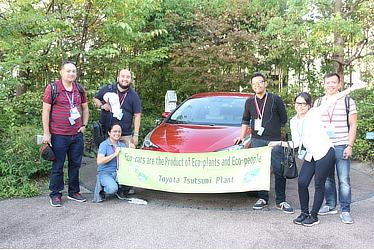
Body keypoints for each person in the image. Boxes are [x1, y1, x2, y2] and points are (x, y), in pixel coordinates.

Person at [269, 81, 366, 226]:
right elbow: (295, 143)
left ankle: (313, 216)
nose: (299, 106)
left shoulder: (315, 113)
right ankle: (304, 213)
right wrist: (278, 143)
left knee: (319, 183)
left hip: (325, 152)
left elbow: (333, 99)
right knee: (302, 182)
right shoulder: (294, 121)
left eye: (303, 104)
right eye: (297, 103)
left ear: (309, 105)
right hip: (311, 155)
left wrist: (352, 88)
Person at [234, 72, 293, 213]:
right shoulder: (249, 102)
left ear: (265, 83)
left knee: (279, 170)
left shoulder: (275, 99)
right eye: (254, 83)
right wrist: (241, 137)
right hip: (257, 141)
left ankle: (281, 200)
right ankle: (263, 198)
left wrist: (284, 140)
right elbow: (245, 120)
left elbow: (284, 120)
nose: (257, 85)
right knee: (260, 171)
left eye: (259, 82)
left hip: (275, 141)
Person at [42, 61, 89, 207]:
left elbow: (85, 109)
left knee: (75, 164)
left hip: (76, 135)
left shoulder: (79, 89)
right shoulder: (53, 88)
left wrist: (84, 125)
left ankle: (74, 192)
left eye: (73, 71)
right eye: (68, 71)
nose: (71, 73)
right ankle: (55, 194)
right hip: (58, 135)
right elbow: (46, 111)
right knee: (58, 165)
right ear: (61, 72)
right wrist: (46, 133)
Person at [315, 73, 358, 224]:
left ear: (339, 84)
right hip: (324, 146)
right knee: (327, 179)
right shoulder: (319, 102)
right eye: (328, 82)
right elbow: (315, 124)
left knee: (344, 179)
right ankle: (330, 205)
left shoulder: (348, 101)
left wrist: (350, 145)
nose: (331, 85)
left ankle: (345, 210)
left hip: (341, 145)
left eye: (334, 82)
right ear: (324, 84)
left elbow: (353, 124)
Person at [93, 68, 141, 199]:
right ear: (118, 77)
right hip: (108, 132)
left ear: (131, 80)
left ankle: (124, 188)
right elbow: (96, 98)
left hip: (124, 133)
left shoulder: (133, 95)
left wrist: (135, 135)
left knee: (128, 161)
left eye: (128, 77)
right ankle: (104, 182)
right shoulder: (108, 89)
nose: (125, 79)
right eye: (123, 76)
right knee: (106, 158)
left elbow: (137, 115)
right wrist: (102, 106)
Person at [93, 123, 127, 202]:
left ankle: (120, 190)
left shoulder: (122, 145)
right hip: (105, 172)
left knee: (133, 178)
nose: (117, 133)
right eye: (115, 131)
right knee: (112, 188)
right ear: (109, 133)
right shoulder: (104, 145)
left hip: (118, 172)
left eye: (119, 131)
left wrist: (132, 149)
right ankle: (103, 191)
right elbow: (99, 161)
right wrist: (114, 154)